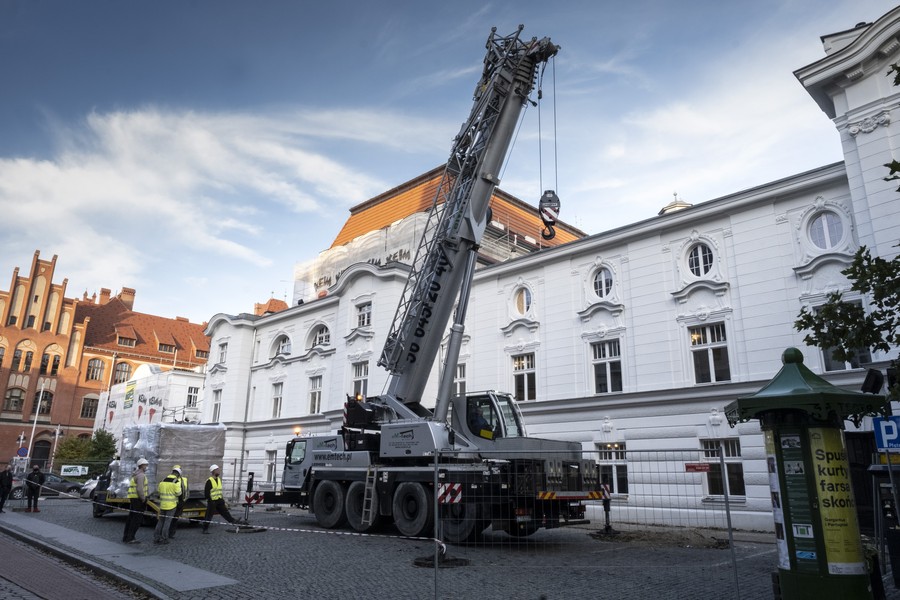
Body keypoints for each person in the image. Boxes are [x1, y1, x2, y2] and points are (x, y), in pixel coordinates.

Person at [201, 464, 240, 533]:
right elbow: (206, 493)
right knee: (209, 515)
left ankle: (234, 522)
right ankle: (205, 529)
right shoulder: (209, 481)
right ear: (213, 471)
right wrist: (210, 500)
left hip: (219, 500)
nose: (219, 471)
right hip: (212, 501)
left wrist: (222, 500)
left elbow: (219, 491)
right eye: (217, 470)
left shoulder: (219, 479)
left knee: (225, 512)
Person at [122, 457, 149, 544]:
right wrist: (143, 498)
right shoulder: (141, 476)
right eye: (146, 465)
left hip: (133, 498)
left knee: (131, 518)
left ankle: (126, 537)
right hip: (138, 499)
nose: (147, 467)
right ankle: (130, 537)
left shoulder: (135, 474)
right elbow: (140, 489)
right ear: (142, 465)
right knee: (136, 519)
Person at [153, 467, 182, 544]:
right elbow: (179, 493)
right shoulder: (176, 482)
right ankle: (164, 538)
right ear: (178, 474)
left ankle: (156, 537)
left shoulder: (163, 480)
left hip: (163, 505)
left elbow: (159, 491)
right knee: (167, 522)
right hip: (171, 505)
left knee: (160, 521)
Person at [168, 463, 188, 539]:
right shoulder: (172, 480)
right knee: (171, 518)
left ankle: (172, 533)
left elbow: (186, 490)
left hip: (181, 501)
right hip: (174, 501)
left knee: (175, 518)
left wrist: (185, 499)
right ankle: (169, 533)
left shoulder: (184, 480)